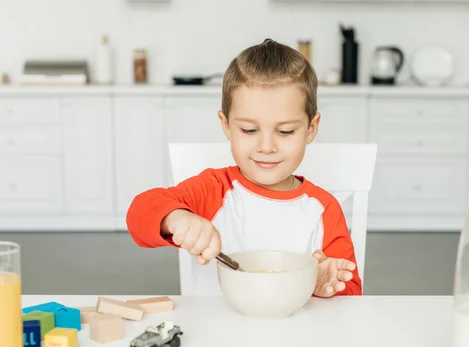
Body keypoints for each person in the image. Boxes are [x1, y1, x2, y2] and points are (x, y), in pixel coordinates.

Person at [126, 38, 361, 297]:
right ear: (226, 125)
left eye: (285, 131)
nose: (267, 146)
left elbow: (349, 296)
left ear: (311, 128)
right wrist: (175, 218)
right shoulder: (213, 190)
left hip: (295, 335)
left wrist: (323, 286)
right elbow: (139, 214)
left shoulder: (324, 210)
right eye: (249, 130)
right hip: (215, 333)